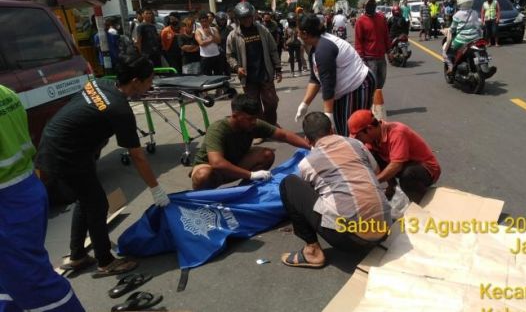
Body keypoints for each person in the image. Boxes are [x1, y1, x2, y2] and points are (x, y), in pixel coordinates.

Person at [36, 55, 170, 278]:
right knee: (97, 203)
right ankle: (106, 262)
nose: (151, 85)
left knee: (86, 199)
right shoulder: (120, 110)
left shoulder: (100, 83)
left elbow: (83, 115)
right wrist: (156, 189)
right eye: (149, 80)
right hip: (66, 153)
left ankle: (77, 255)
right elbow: (137, 156)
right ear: (136, 81)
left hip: (54, 142)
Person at [0, 85, 85, 312]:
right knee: (10, 279)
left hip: (6, 201)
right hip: (26, 189)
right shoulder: (5, 92)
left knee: (33, 285)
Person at [280, 112, 392, 268]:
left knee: (288, 183)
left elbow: (310, 193)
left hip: (351, 241)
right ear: (332, 129)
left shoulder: (307, 163)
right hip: (385, 228)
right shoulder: (356, 144)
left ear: (307, 140)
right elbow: (379, 177)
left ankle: (312, 250)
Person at [190, 94, 309, 189]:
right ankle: (201, 200)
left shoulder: (253, 124)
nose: (253, 122)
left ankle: (244, 191)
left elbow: (283, 135)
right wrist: (251, 175)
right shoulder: (218, 129)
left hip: (234, 165)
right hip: (212, 170)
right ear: (235, 116)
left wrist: (311, 146)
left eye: (255, 118)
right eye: (249, 119)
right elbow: (217, 163)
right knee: (203, 175)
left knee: (266, 155)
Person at [295, 14, 376, 136]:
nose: (297, 35)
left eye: (298, 32)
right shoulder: (315, 48)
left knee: (353, 130)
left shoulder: (323, 49)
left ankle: (364, 153)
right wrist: (305, 103)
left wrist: (328, 115)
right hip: (343, 90)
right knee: (340, 129)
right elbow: (315, 79)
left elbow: (328, 84)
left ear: (305, 33)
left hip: (358, 85)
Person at [348, 109, 441, 203]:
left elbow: (397, 165)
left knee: (408, 176)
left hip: (426, 169)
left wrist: (373, 182)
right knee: (370, 156)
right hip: (404, 165)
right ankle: (390, 191)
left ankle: (422, 204)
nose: (359, 140)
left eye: (359, 137)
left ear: (369, 129)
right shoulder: (373, 140)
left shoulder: (398, 132)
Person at [226, 2, 282, 132]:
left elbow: (273, 49)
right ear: (238, 19)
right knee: (254, 106)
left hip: (265, 73)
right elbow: (229, 55)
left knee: (272, 103)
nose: (246, 20)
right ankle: (260, 130)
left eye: (248, 17)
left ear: (253, 16)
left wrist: (278, 68)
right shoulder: (233, 35)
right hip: (248, 77)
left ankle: (271, 125)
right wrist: (237, 67)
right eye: (243, 18)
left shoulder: (262, 30)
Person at [355, 0, 392, 120]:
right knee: (372, 85)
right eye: (368, 5)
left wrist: (389, 51)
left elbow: (386, 36)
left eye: (373, 4)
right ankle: (370, 109)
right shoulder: (360, 21)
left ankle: (375, 105)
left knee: (380, 84)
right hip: (369, 59)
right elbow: (358, 41)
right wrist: (361, 58)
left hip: (381, 57)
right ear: (364, 7)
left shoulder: (381, 18)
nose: (371, 6)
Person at [442, 0, 483, 74]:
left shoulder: (457, 15)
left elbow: (453, 28)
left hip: (461, 40)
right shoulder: (474, 13)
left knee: (446, 50)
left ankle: (450, 67)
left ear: (460, 3)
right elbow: (478, 24)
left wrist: (446, 30)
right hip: (475, 38)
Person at [195, 11, 222, 76]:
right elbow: (201, 43)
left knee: (218, 75)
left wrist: (210, 34)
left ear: (208, 21)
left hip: (216, 55)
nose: (204, 23)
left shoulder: (214, 29)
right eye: (202, 22)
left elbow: (219, 41)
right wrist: (212, 40)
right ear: (200, 22)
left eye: (205, 21)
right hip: (205, 57)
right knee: (207, 76)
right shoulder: (198, 31)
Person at [215, 11, 233, 77]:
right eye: (220, 20)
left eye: (223, 20)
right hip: (216, 54)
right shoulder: (214, 29)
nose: (221, 22)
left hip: (227, 52)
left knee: (227, 71)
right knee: (218, 72)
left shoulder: (229, 29)